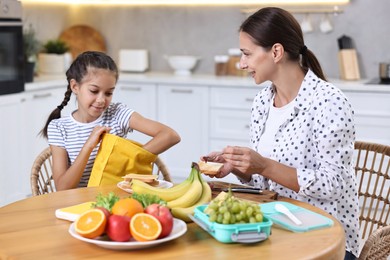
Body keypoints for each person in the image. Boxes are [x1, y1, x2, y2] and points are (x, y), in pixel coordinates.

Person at [201, 7, 359, 259]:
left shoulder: (329, 102)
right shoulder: (262, 102)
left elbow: (333, 186)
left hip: (325, 239)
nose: (242, 64)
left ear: (276, 52)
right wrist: (239, 165)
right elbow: (265, 184)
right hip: (274, 229)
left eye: (247, 54)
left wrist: (263, 165)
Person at [41, 51, 180, 191]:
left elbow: (170, 135)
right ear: (75, 87)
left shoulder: (117, 114)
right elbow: (62, 188)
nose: (101, 100)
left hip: (116, 198)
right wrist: (89, 146)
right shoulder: (58, 127)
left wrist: (128, 159)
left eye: (108, 93)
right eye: (94, 91)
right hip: (78, 204)